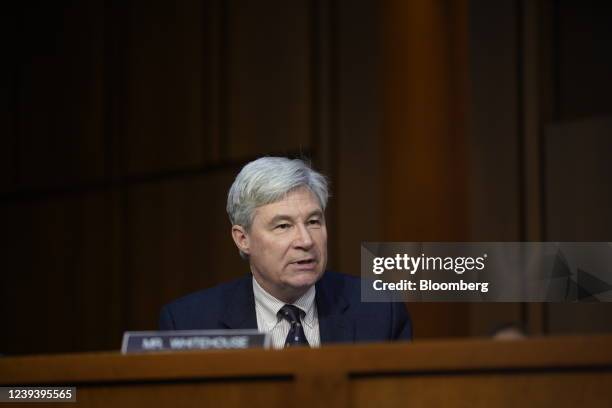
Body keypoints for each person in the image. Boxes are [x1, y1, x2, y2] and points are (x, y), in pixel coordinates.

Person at [159, 157, 412, 348]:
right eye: (283, 226)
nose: (305, 240)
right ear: (242, 239)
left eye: (314, 222)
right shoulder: (188, 324)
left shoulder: (379, 310)